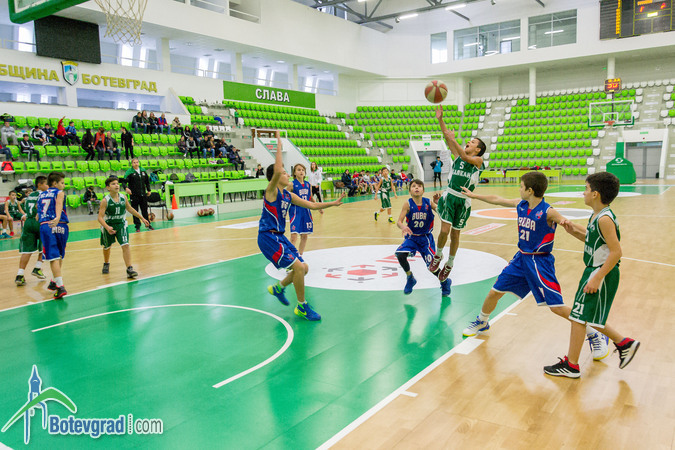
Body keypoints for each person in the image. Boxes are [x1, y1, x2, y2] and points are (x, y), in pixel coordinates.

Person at [459, 172, 610, 361]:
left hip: (540, 262)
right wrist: (474, 196)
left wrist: (594, 240)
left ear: (530, 190)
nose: (519, 189)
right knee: (494, 292)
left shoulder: (548, 211)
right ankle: (482, 321)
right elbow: (497, 200)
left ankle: (594, 333)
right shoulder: (521, 204)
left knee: (557, 307)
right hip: (521, 259)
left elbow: (571, 227)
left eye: (521, 186)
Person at [544, 172, 640, 378]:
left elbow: (616, 252)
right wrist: (573, 230)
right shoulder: (597, 215)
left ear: (595, 194)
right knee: (587, 317)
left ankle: (572, 365)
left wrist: (597, 277)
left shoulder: (604, 219)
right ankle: (624, 343)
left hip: (599, 272)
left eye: (586, 189)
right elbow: (595, 242)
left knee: (578, 317)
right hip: (594, 270)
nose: (583, 192)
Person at [260, 131, 345, 321]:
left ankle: (278, 287)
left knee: (304, 268)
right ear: (276, 177)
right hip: (268, 237)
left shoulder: (288, 195)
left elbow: (312, 205)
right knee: (298, 268)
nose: (286, 174)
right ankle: (302, 306)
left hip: (279, 236)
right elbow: (278, 169)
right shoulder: (272, 192)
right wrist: (279, 143)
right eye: (284, 173)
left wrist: (333, 203)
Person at [428, 106, 485, 283]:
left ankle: (450, 263)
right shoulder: (458, 157)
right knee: (444, 230)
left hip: (463, 201)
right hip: (450, 196)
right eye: (469, 141)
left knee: (455, 235)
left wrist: (454, 141)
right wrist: (440, 119)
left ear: (478, 150)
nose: (469, 142)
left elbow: (466, 157)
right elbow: (448, 137)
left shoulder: (478, 161)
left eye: (472, 142)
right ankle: (438, 255)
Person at [395, 179, 450, 297]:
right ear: (410, 191)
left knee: (432, 267)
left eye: (419, 186)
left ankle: (445, 282)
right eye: (414, 186)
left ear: (423, 190)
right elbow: (399, 221)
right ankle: (410, 277)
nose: (416, 188)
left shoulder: (428, 202)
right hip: (412, 237)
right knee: (400, 254)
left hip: (426, 239)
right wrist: (403, 227)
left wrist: (439, 203)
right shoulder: (407, 204)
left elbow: (442, 213)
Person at [98, 175, 150, 279]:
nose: (116, 185)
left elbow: (130, 209)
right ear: (108, 187)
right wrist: (107, 227)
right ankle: (106, 263)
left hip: (121, 224)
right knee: (107, 247)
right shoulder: (105, 201)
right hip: (109, 225)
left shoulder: (123, 197)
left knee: (125, 245)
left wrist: (142, 218)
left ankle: (129, 268)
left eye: (117, 183)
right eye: (113, 184)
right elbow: (100, 218)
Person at [37, 171, 69, 299]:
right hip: (61, 225)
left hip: (47, 225)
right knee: (59, 255)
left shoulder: (41, 195)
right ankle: (55, 282)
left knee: (53, 256)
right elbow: (59, 204)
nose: (64, 185)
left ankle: (59, 285)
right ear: (55, 183)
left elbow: (38, 213)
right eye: (62, 183)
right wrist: (57, 217)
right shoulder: (59, 192)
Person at [15, 176, 48, 286]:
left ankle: (20, 275)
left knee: (27, 251)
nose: (48, 186)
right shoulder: (44, 194)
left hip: (28, 222)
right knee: (45, 246)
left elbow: (25, 207)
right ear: (40, 184)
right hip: (39, 221)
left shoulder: (30, 195)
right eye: (46, 184)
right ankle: (38, 267)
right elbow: (39, 206)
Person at [122, 158, 153, 232]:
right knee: (135, 210)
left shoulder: (143, 170)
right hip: (134, 195)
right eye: (134, 162)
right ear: (132, 164)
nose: (136, 164)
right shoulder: (129, 172)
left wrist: (149, 190)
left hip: (143, 194)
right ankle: (137, 226)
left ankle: (148, 224)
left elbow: (147, 181)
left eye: (137, 162)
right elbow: (124, 182)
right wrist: (126, 188)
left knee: (145, 210)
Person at [289, 164, 313, 256]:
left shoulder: (308, 185)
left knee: (304, 235)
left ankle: (300, 255)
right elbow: (285, 197)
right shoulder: (291, 184)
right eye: (299, 170)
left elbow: (310, 198)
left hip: (306, 211)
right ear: (294, 173)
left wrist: (319, 207)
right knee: (294, 235)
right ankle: (291, 256)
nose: (301, 171)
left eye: (303, 170)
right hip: (295, 211)